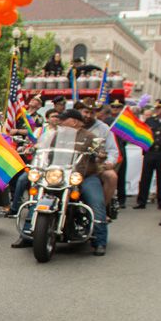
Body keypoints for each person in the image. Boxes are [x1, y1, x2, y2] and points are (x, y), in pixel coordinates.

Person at [17, 108, 109, 255]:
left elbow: (101, 153)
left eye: (63, 120)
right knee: (36, 198)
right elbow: (42, 148)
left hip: (82, 176)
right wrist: (34, 149)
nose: (59, 122)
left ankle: (99, 240)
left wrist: (100, 153)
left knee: (96, 201)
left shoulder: (89, 137)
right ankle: (27, 234)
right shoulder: (54, 135)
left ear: (73, 121)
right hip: (57, 174)